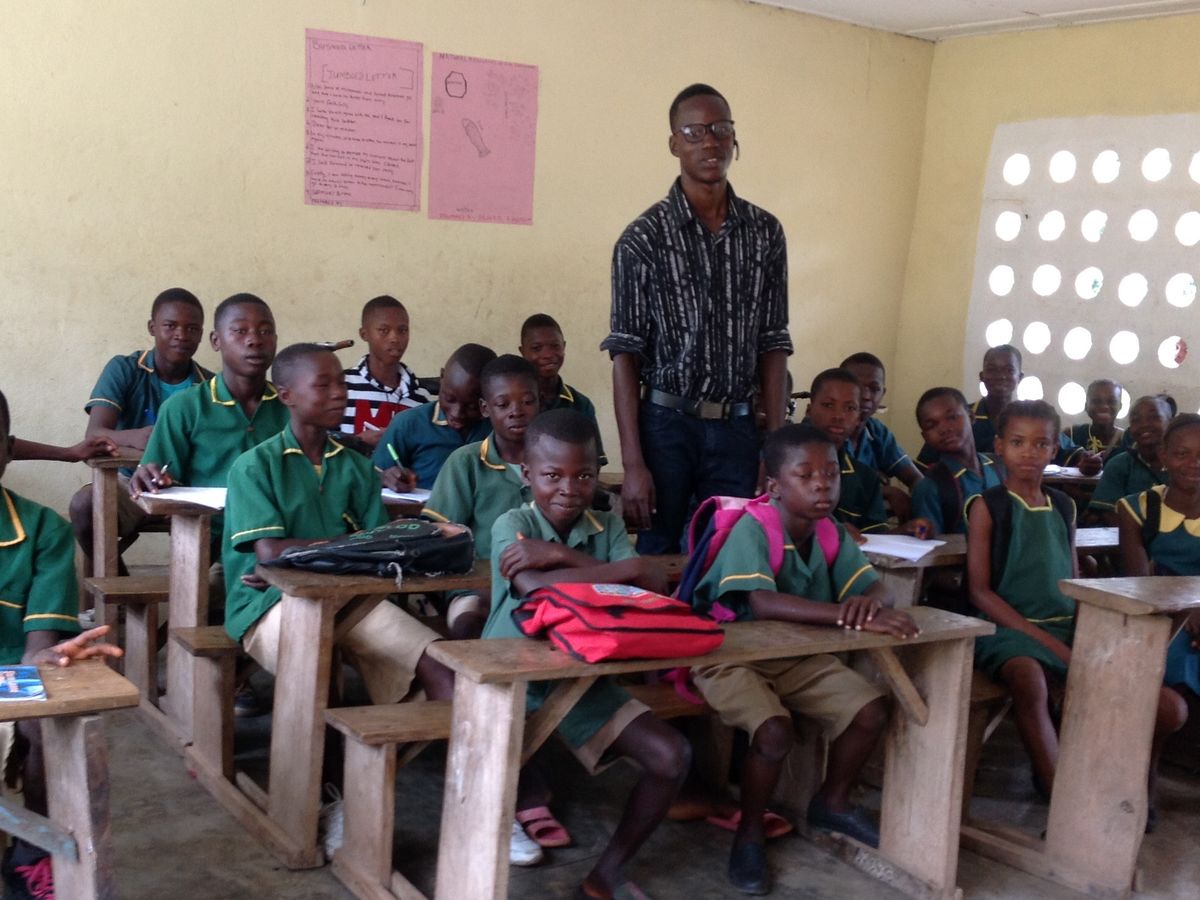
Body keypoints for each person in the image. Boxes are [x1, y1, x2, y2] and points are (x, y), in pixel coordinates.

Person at [222, 344, 454, 856]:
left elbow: (377, 548)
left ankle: (461, 796)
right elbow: (270, 553)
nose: (339, 394)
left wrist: (316, 553)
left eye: (342, 384)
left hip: (354, 604)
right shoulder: (255, 466)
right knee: (319, 666)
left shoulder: (353, 467)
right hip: (268, 608)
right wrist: (346, 548)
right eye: (323, 385)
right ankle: (329, 796)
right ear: (286, 395)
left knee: (442, 668)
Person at [689, 423, 918, 893]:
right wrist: (845, 614)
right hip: (730, 658)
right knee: (774, 730)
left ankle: (831, 801)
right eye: (806, 475)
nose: (822, 485)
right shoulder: (755, 527)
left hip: (797, 657)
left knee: (870, 710)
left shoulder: (830, 532)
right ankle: (750, 831)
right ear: (774, 485)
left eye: (831, 474)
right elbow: (763, 603)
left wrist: (870, 605)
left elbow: (875, 587)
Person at [487, 409, 690, 899]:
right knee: (486, 770)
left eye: (583, 476)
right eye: (552, 476)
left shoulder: (607, 524)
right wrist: (621, 572)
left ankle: (607, 874)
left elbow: (651, 581)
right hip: (509, 679)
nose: (568, 489)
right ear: (526, 474)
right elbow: (537, 591)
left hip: (582, 678)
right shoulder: (512, 522)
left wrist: (559, 555)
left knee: (671, 755)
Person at [965, 400, 1184, 807]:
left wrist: (1093, 636)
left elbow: (1072, 581)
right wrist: (1052, 645)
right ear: (999, 446)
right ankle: (1064, 797)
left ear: (1054, 449)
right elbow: (980, 592)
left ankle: (1125, 790)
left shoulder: (1063, 506)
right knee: (1030, 679)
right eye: (1017, 442)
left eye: (1040, 443)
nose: (1029, 452)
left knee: (1169, 708)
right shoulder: (988, 506)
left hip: (1063, 625)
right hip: (1006, 630)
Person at [604, 83, 791, 554]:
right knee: (658, 555)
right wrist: (633, 464)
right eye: (694, 132)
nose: (710, 141)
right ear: (674, 144)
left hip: (738, 428)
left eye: (721, 129)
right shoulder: (641, 239)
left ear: (734, 138)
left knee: (731, 556)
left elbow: (773, 343)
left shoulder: (765, 233)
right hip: (666, 426)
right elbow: (625, 354)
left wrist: (774, 446)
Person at [0, 388, 125, 898]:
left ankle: (35, 851)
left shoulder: (43, 530)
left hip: (8, 675)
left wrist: (48, 658)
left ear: (8, 450)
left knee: (49, 713)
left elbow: (37, 647)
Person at [69, 287, 211, 571]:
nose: (181, 335)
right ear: (152, 327)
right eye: (170, 326)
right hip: (127, 483)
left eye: (192, 329)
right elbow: (94, 433)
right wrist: (137, 437)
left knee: (232, 513)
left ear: (202, 335)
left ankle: (191, 590)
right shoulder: (125, 369)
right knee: (84, 505)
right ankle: (117, 583)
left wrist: (185, 491)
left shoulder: (209, 387)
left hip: (188, 488)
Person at [422, 354, 539, 640]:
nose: (516, 411)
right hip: (474, 586)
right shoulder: (466, 462)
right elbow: (439, 536)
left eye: (527, 401)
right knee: (469, 625)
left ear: (541, 403)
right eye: (503, 404)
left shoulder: (554, 464)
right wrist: (484, 582)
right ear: (485, 409)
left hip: (543, 582)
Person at [917, 345, 1100, 474]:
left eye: (1008, 370)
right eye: (992, 370)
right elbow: (924, 466)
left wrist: (1085, 460)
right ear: (982, 376)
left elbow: (1069, 451)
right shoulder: (960, 418)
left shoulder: (1029, 418)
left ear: (1019, 377)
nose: (1000, 376)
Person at [1118, 414, 1200, 702]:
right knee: (1175, 655)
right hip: (1159, 613)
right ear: (1164, 456)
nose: (1194, 463)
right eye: (1182, 454)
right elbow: (1142, 585)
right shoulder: (1137, 508)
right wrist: (1188, 610)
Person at [803, 369, 930, 538]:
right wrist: (831, 532)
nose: (839, 416)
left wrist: (906, 530)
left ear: (858, 418)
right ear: (809, 410)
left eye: (850, 408)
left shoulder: (866, 478)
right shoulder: (786, 465)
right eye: (828, 405)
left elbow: (874, 537)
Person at [372, 343, 495, 491]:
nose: (456, 413)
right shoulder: (409, 423)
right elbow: (370, 475)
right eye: (449, 399)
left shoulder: (499, 429)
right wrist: (385, 477)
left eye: (471, 407)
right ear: (441, 377)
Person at [339, 295, 432, 449]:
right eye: (384, 330)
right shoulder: (342, 385)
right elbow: (320, 444)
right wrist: (358, 441)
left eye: (402, 330)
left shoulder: (421, 398)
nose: (395, 338)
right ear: (364, 334)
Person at [839, 353, 922, 521]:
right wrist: (884, 491)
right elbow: (831, 487)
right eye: (858, 386)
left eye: (874, 388)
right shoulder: (825, 429)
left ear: (883, 393)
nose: (866, 395)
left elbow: (915, 479)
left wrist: (923, 500)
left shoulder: (877, 432)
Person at [910, 387, 1004, 534]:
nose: (944, 429)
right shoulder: (929, 487)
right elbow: (922, 534)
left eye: (952, 417)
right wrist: (919, 529)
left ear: (971, 417)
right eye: (931, 425)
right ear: (925, 437)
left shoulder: (1000, 466)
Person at [519, 313, 606, 465]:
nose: (547, 354)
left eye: (555, 346)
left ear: (564, 346)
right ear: (522, 351)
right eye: (537, 348)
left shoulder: (580, 404)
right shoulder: (514, 404)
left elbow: (593, 462)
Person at [1087, 394, 1171, 525]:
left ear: (1170, 423)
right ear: (1130, 429)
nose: (1144, 424)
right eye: (1136, 420)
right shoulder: (1119, 465)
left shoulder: (1184, 463)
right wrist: (1142, 534)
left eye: (1154, 417)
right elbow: (1108, 512)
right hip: (1129, 533)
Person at [1067, 379, 1124, 455]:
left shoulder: (1128, 440)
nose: (1104, 407)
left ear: (1120, 406)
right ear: (1086, 406)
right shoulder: (1071, 435)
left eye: (1111, 401)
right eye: (1097, 401)